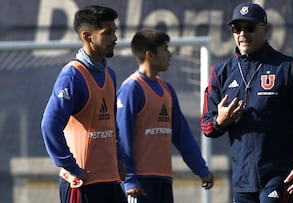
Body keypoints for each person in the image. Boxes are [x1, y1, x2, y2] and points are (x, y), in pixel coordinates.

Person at [201, 2, 293, 203]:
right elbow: (207, 126)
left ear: (265, 29)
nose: (242, 33)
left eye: (249, 27)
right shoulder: (220, 72)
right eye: (236, 28)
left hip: (280, 175)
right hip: (242, 179)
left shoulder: (289, 68)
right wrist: (220, 121)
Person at [41, 5, 127, 203]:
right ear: (87, 36)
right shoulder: (72, 75)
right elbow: (49, 126)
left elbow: (111, 126)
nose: (115, 38)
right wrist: (72, 167)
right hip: (83, 185)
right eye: (108, 33)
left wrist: (119, 158)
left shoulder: (109, 74)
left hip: (111, 181)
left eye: (115, 32)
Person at [116, 29, 214, 203]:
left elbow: (182, 134)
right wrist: (129, 179)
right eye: (164, 49)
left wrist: (201, 169)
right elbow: (122, 138)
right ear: (149, 55)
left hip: (163, 179)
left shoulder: (167, 89)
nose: (170, 54)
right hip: (140, 183)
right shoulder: (131, 89)